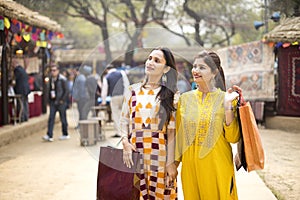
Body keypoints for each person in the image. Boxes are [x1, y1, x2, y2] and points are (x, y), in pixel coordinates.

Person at [175, 50, 242, 200]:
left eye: (202, 67)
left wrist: (227, 107)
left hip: (217, 167)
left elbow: (233, 137)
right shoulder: (184, 100)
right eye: (195, 66)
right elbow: (180, 139)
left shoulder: (227, 98)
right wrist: (172, 165)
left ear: (214, 72)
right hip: (191, 170)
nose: (196, 71)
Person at [121, 47, 179, 199]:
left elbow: (172, 133)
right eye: (150, 58)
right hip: (134, 156)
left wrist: (170, 163)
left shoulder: (171, 97)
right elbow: (124, 120)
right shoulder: (132, 91)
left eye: (157, 60)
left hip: (159, 157)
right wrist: (125, 142)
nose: (150, 62)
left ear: (166, 69)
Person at [43, 64, 70, 142]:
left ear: (58, 71)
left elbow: (66, 91)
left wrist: (62, 100)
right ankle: (49, 134)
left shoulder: (62, 79)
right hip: (53, 101)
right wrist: (47, 100)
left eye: (54, 70)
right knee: (51, 118)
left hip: (61, 102)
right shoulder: (50, 79)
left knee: (63, 118)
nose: (53, 72)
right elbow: (48, 90)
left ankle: (65, 133)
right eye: (51, 70)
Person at [101, 64, 130, 137]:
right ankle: (127, 131)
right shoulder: (122, 73)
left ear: (107, 70)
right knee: (125, 114)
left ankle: (119, 133)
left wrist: (103, 101)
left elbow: (104, 90)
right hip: (123, 96)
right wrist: (127, 96)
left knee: (116, 115)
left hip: (114, 97)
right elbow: (127, 84)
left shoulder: (107, 77)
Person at [12, 57, 31, 122]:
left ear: (14, 63)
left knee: (21, 104)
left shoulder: (16, 70)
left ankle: (22, 118)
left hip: (20, 90)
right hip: (26, 89)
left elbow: (14, 80)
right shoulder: (22, 69)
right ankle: (26, 117)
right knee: (25, 103)